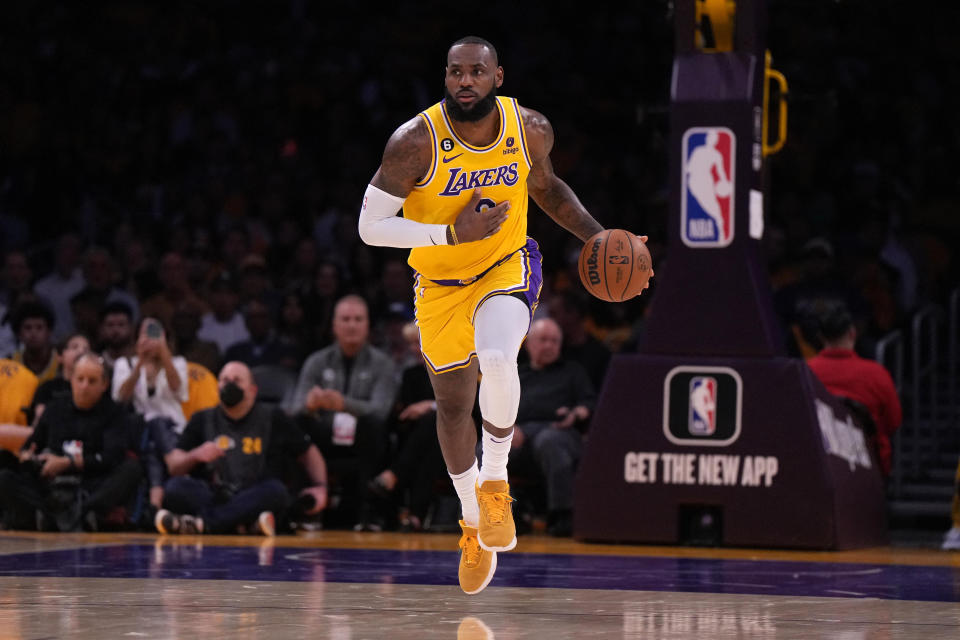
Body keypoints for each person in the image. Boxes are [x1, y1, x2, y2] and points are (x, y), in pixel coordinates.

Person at [358, 36, 647, 594]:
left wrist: (601, 237)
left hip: (505, 266)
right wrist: (449, 231)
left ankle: (496, 481)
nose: (465, 81)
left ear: (498, 77)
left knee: (496, 354)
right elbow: (370, 226)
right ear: (446, 77)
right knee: (451, 407)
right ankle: (471, 520)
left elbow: (547, 188)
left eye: (477, 72)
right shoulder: (414, 142)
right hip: (439, 282)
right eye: (456, 72)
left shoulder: (529, 129)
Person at [156, 361, 327, 536]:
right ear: (217, 387)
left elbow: (308, 451)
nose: (229, 384)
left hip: (254, 494)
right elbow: (174, 465)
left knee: (277, 492)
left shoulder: (274, 417)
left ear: (253, 390)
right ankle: (242, 523)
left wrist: (321, 487)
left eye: (237, 380)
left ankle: (204, 524)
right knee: (175, 488)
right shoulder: (202, 418)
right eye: (224, 380)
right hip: (215, 495)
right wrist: (195, 455)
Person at [0, 353, 142, 531]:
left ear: (104, 385)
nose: (84, 386)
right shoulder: (55, 408)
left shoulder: (114, 413)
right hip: (51, 485)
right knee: (5, 472)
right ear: (71, 380)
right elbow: (30, 446)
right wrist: (30, 457)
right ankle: (44, 515)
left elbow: (111, 457)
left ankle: (85, 514)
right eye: (80, 379)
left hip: (90, 485)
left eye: (92, 381)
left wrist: (68, 463)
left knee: (131, 468)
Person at [292, 294, 397, 530]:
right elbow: (295, 408)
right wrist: (309, 404)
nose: (352, 325)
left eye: (358, 319)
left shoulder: (383, 364)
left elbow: (381, 410)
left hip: (364, 436)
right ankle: (303, 507)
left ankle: (368, 513)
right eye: (346, 319)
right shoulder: (316, 361)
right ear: (334, 325)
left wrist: (343, 404)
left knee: (374, 425)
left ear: (368, 325)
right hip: (324, 433)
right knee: (297, 425)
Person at [509, 318, 595, 537]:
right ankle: (501, 513)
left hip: (561, 433)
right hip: (520, 436)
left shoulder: (573, 371)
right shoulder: (516, 374)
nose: (549, 345)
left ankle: (562, 515)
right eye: (543, 340)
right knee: (485, 448)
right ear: (528, 344)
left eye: (554, 341)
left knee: (549, 441)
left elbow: (590, 404)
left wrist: (576, 414)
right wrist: (506, 429)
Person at [806, 300, 902, 477]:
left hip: (816, 468)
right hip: (869, 470)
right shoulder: (875, 374)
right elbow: (893, 421)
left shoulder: (804, 373)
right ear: (852, 333)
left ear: (820, 337)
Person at [112, 317, 189, 510]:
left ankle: (155, 500)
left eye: (155, 333)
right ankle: (174, 460)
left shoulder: (178, 362)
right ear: (137, 337)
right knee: (153, 423)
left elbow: (178, 390)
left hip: (174, 430)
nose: (150, 339)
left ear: (164, 336)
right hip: (140, 431)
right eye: (146, 334)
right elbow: (120, 397)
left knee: (156, 436)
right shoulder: (126, 363)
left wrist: (164, 354)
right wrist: (139, 365)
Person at [30, 333, 91, 426]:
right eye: (74, 347)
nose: (81, 351)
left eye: (86, 349)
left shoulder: (94, 388)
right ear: (60, 356)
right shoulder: (47, 388)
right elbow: (40, 418)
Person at [10, 300, 60, 385]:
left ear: (49, 333)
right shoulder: (11, 363)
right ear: (19, 334)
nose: (33, 333)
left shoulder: (61, 361)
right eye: (28, 328)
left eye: (39, 327)